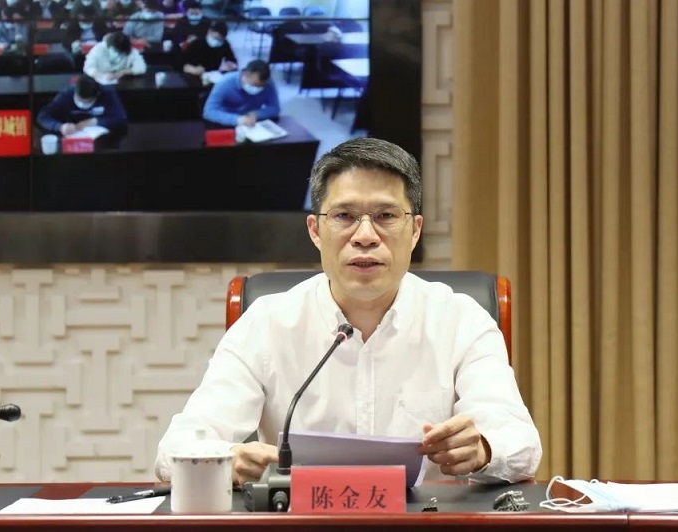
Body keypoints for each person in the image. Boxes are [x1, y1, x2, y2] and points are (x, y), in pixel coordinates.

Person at [155, 137, 543, 485]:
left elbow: (521, 444)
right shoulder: (266, 323)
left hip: (427, 526)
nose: (365, 236)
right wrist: (228, 460)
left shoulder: (461, 320)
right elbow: (175, 451)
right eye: (344, 216)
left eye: (386, 216)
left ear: (415, 230)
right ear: (314, 230)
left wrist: (483, 449)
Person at [36, 74, 127, 135]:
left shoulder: (107, 93)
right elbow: (43, 116)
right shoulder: (67, 94)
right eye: (80, 100)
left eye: (86, 101)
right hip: (72, 133)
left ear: (96, 95)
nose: (82, 104)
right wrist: (59, 127)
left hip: (99, 138)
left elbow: (121, 117)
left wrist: (95, 121)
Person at [202, 59, 279, 127]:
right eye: (254, 85)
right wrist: (237, 119)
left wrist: (257, 114)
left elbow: (274, 108)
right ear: (245, 74)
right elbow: (209, 112)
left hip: (251, 122)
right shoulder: (225, 83)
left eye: (261, 86)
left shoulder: (268, 83)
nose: (257, 88)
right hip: (226, 122)